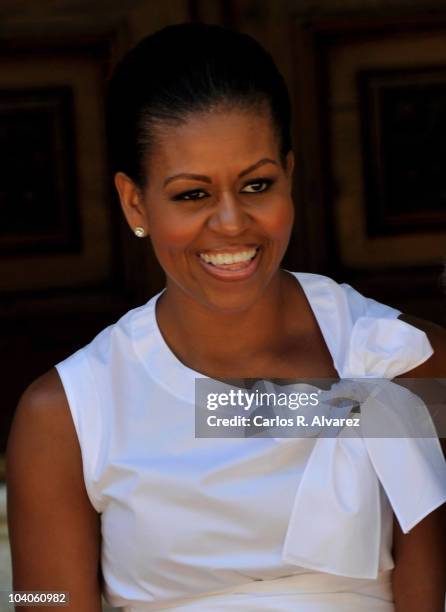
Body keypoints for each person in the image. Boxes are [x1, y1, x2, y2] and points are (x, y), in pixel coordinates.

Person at [6, 22, 446, 612]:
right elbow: (44, 599)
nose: (232, 223)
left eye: (257, 184)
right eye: (193, 194)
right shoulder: (65, 415)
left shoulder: (396, 357)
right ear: (134, 201)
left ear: (289, 175)